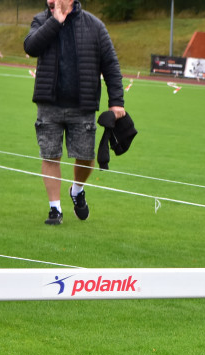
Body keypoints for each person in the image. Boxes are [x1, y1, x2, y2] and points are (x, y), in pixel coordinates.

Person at [24, 0, 125, 226]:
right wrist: (55, 22)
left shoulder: (94, 26)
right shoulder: (42, 20)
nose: (51, 3)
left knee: (86, 157)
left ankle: (77, 189)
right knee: (50, 155)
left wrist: (116, 101)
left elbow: (111, 64)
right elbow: (30, 47)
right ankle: (55, 209)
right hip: (48, 103)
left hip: (83, 105)